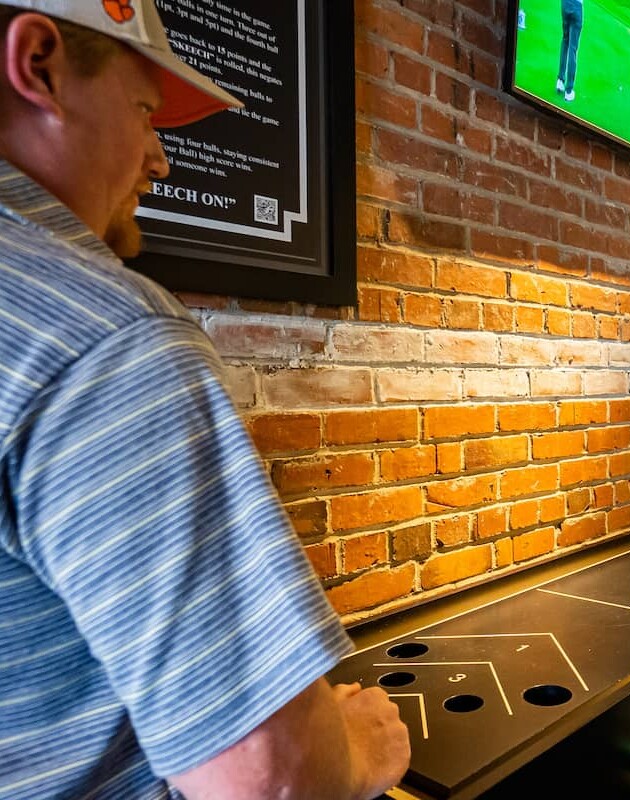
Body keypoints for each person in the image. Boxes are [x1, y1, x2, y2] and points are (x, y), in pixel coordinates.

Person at [0, 3, 410, 799]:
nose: (159, 158)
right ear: (39, 64)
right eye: (144, 111)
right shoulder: (108, 338)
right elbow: (270, 779)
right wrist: (358, 751)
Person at [556, 0, 583, 102]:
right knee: (573, 48)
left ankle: (560, 80)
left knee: (565, 40)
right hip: (577, 6)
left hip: (565, 3)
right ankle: (569, 91)